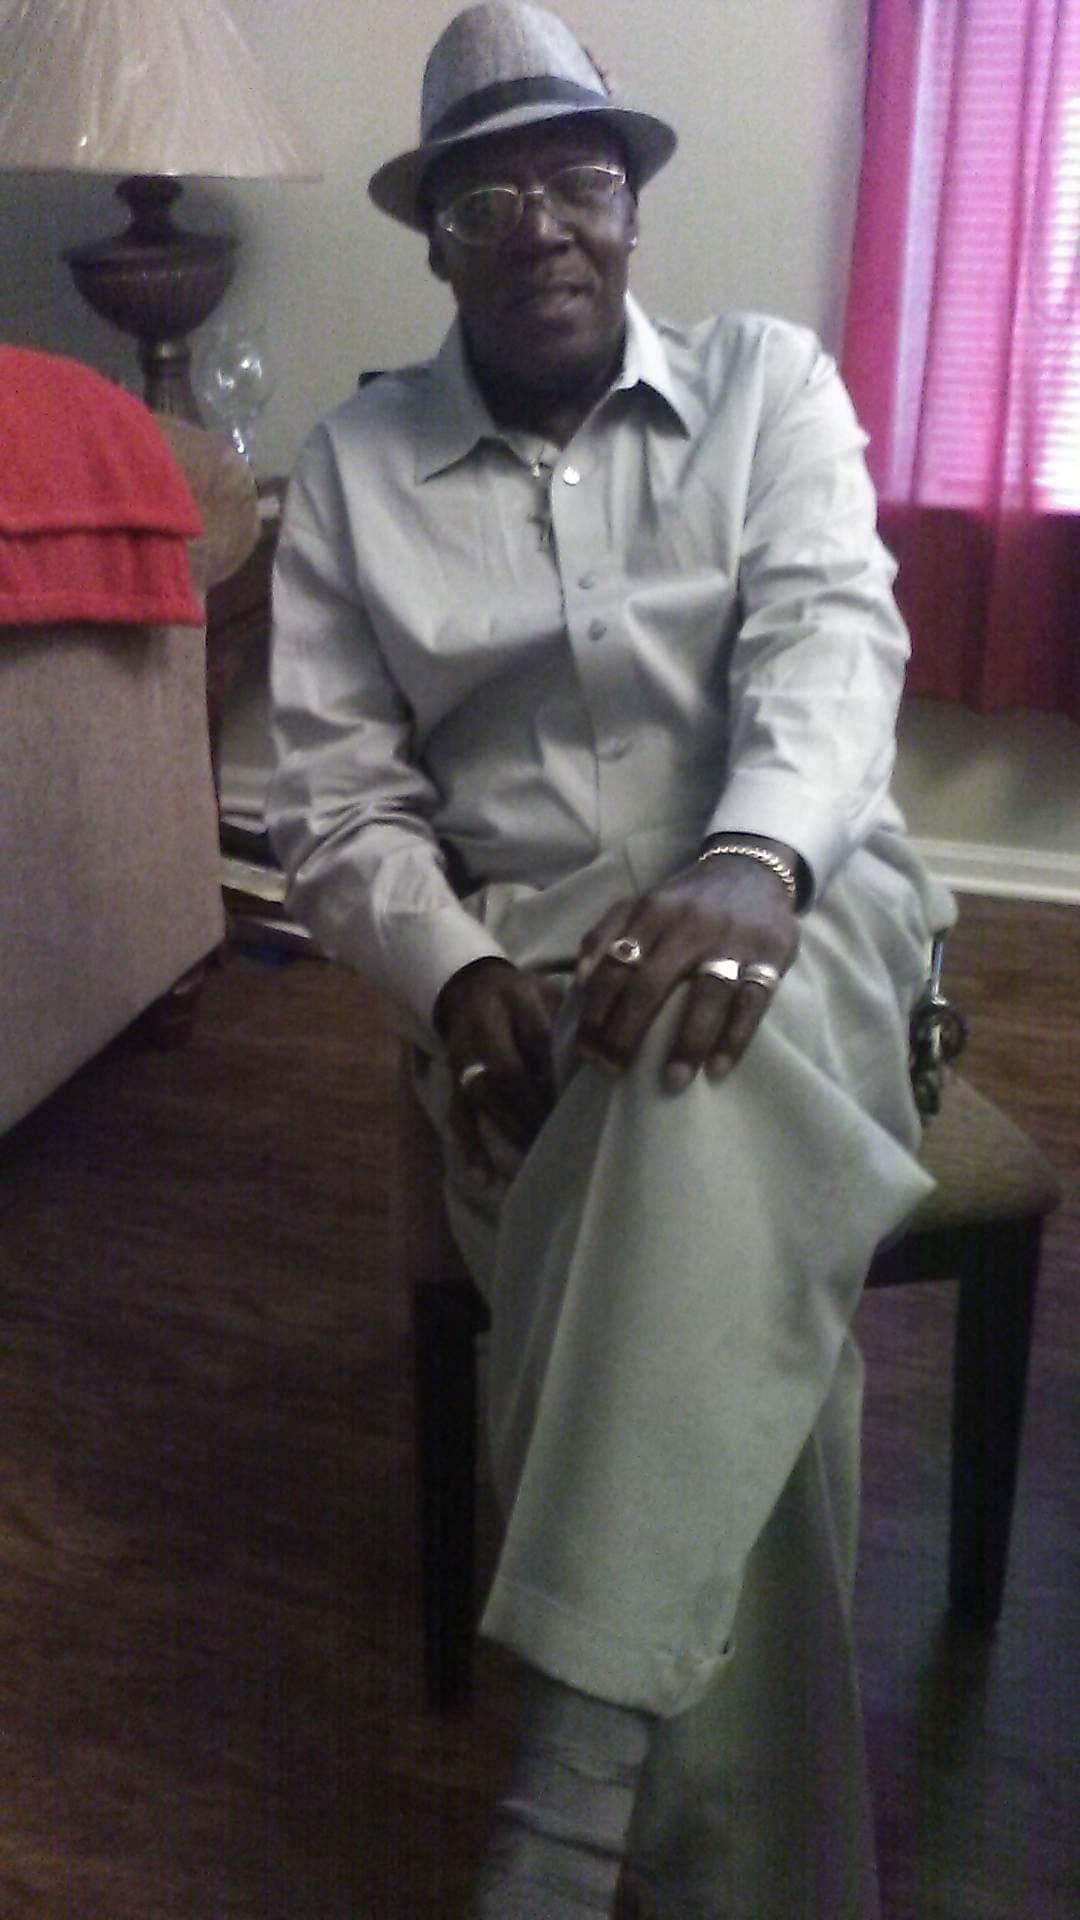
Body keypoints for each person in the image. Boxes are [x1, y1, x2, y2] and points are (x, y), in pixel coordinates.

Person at [268, 5, 954, 1913]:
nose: (544, 229)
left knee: (697, 1058)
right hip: (535, 991)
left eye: (579, 182)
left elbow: (834, 646)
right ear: (438, 245)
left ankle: (565, 1809)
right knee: (720, 1287)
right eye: (488, 201)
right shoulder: (353, 467)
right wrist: (446, 972)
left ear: (635, 208)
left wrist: (752, 857)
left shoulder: (769, 385)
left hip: (809, 906)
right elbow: (333, 801)